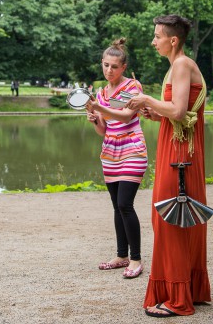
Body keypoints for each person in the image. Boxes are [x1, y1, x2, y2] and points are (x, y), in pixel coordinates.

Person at [125, 15, 210, 317]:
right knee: (178, 218)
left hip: (180, 153)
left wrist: (147, 98)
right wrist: (155, 114)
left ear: (173, 40)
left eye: (157, 36)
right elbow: (176, 114)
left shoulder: (182, 64)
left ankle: (177, 298)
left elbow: (179, 110)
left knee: (170, 219)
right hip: (178, 146)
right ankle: (191, 288)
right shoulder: (177, 67)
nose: (153, 41)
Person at [85, 38, 147, 279]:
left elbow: (124, 117)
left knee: (125, 204)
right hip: (110, 151)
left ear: (123, 67)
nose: (108, 70)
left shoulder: (133, 87)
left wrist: (99, 110)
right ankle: (121, 255)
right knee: (116, 206)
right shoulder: (101, 93)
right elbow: (105, 129)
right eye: (105, 65)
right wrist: (95, 120)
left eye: (114, 66)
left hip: (132, 148)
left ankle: (136, 259)